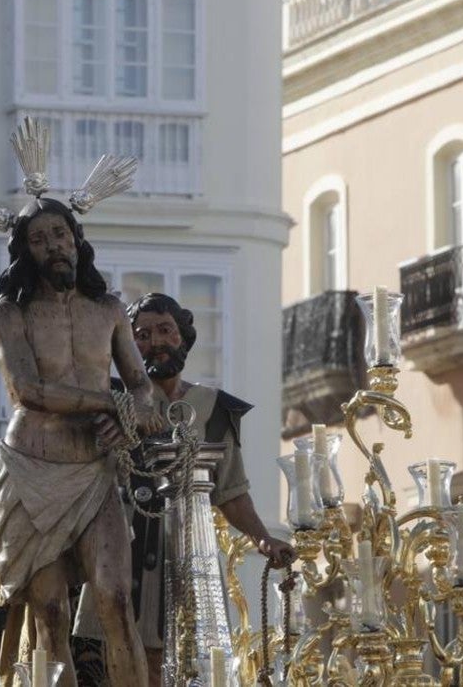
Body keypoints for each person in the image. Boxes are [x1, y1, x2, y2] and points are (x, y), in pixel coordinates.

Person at [0, 197, 165, 687]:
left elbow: (142, 389)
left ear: (75, 239)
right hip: (31, 468)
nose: (53, 247)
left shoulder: (108, 311)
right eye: (38, 240)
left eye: (59, 234)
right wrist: (108, 405)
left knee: (115, 598)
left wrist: (131, 413)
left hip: (93, 470)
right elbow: (28, 390)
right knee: (50, 611)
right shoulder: (10, 313)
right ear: (25, 252)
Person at [99, 292, 296, 684]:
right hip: (119, 548)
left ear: (184, 337)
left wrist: (263, 539)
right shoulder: (112, 402)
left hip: (189, 553)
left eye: (165, 330)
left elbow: (232, 493)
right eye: (142, 334)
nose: (155, 341)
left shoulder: (215, 409)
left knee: (186, 660)